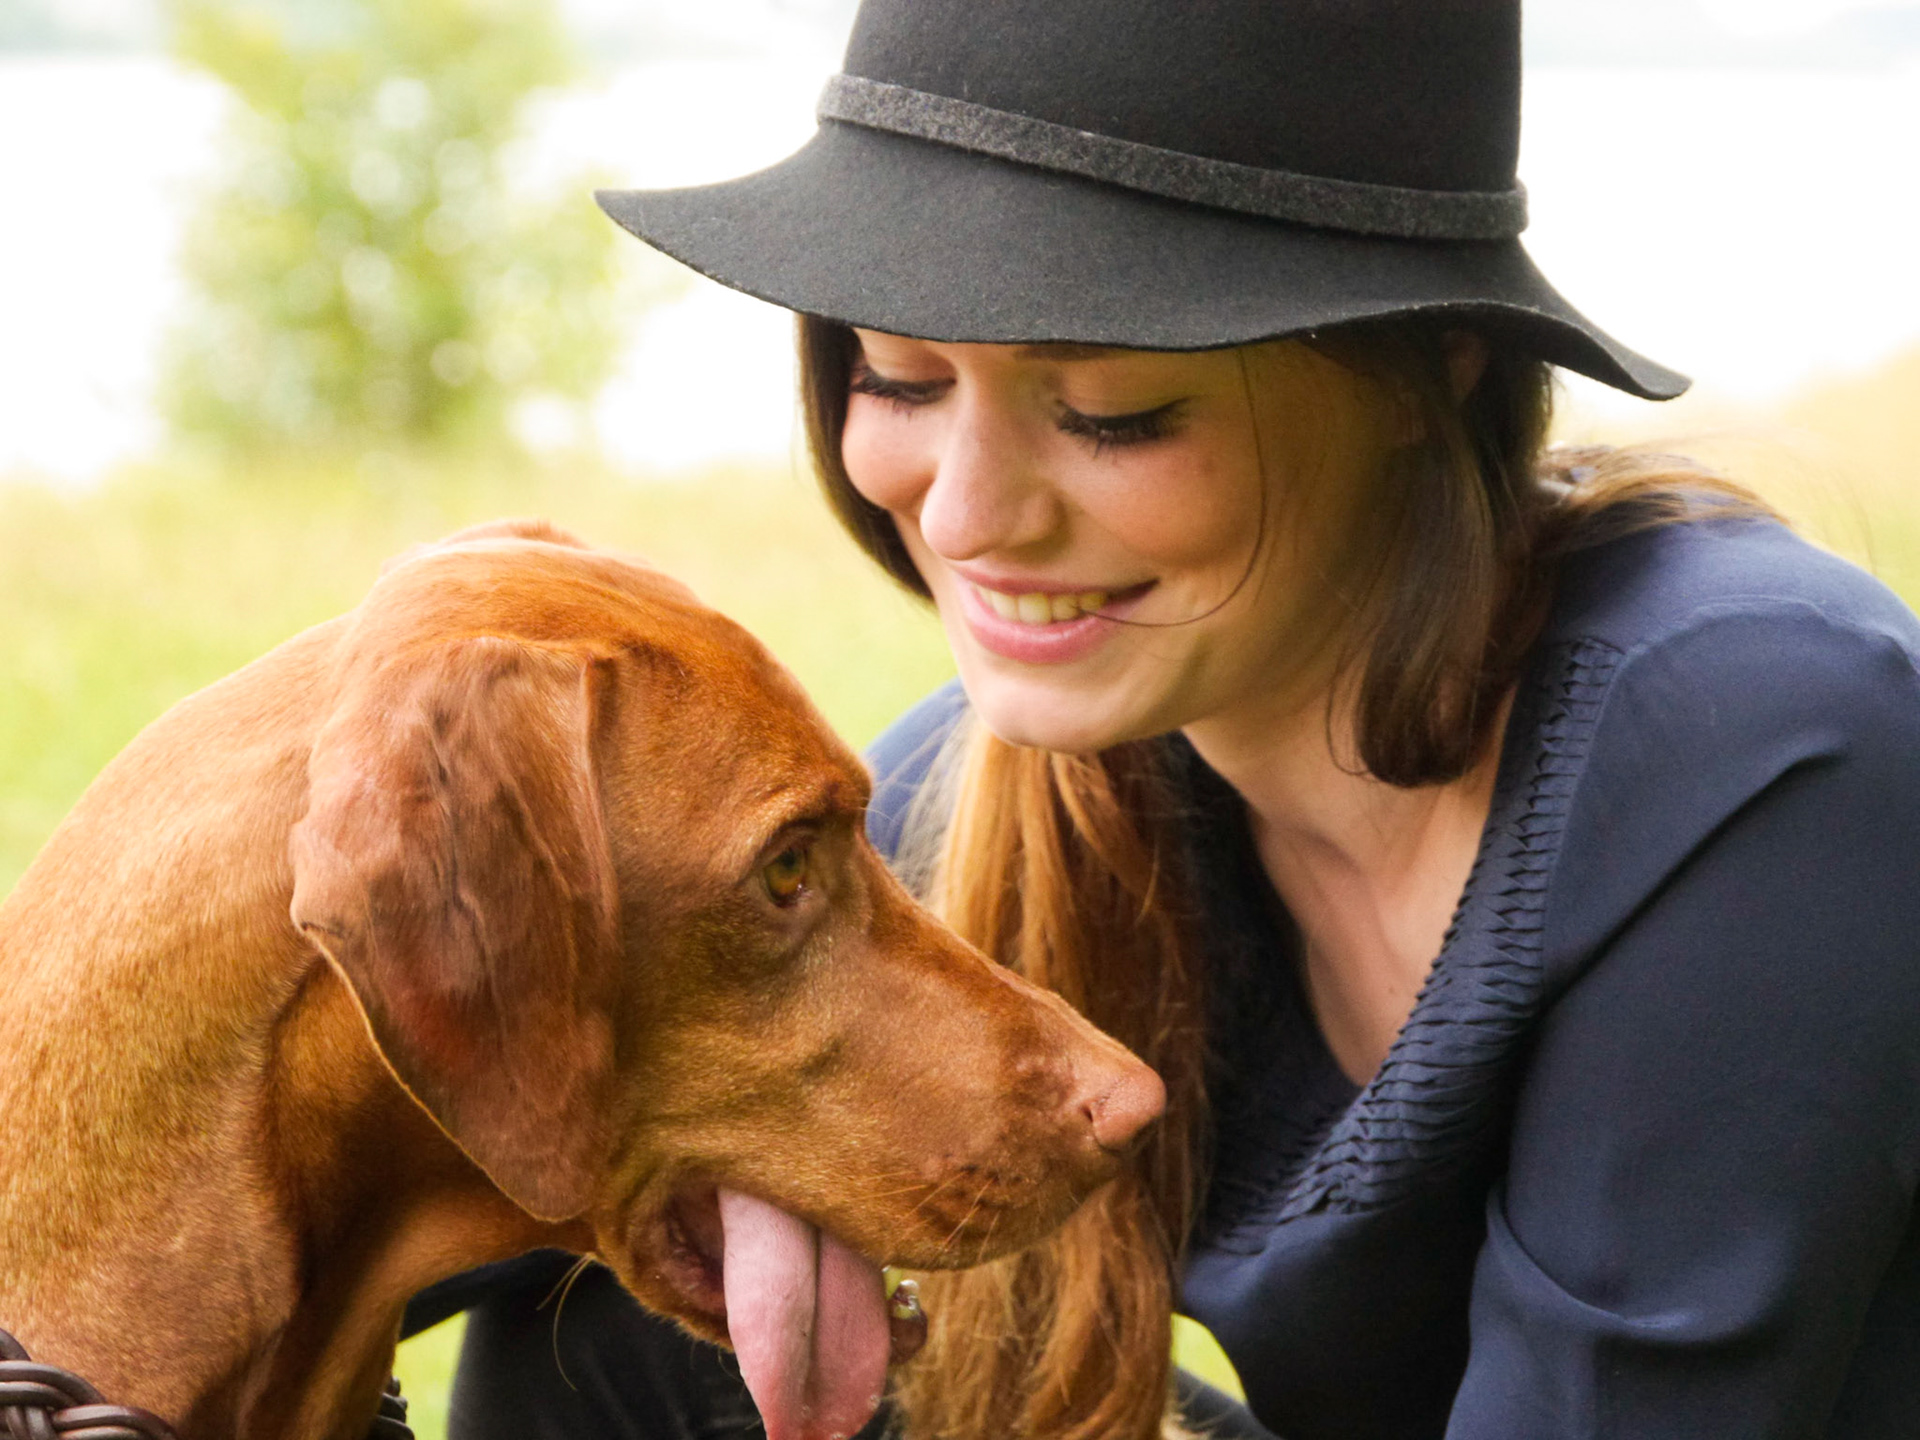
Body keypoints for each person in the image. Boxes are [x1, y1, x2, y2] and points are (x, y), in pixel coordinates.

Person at [406, 1, 1920, 1436]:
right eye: (901, 379)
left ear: (1430, 372)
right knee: (606, 1322)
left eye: (1111, 412)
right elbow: (431, 1164)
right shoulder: (968, 802)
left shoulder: (1753, 742)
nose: (968, 514)